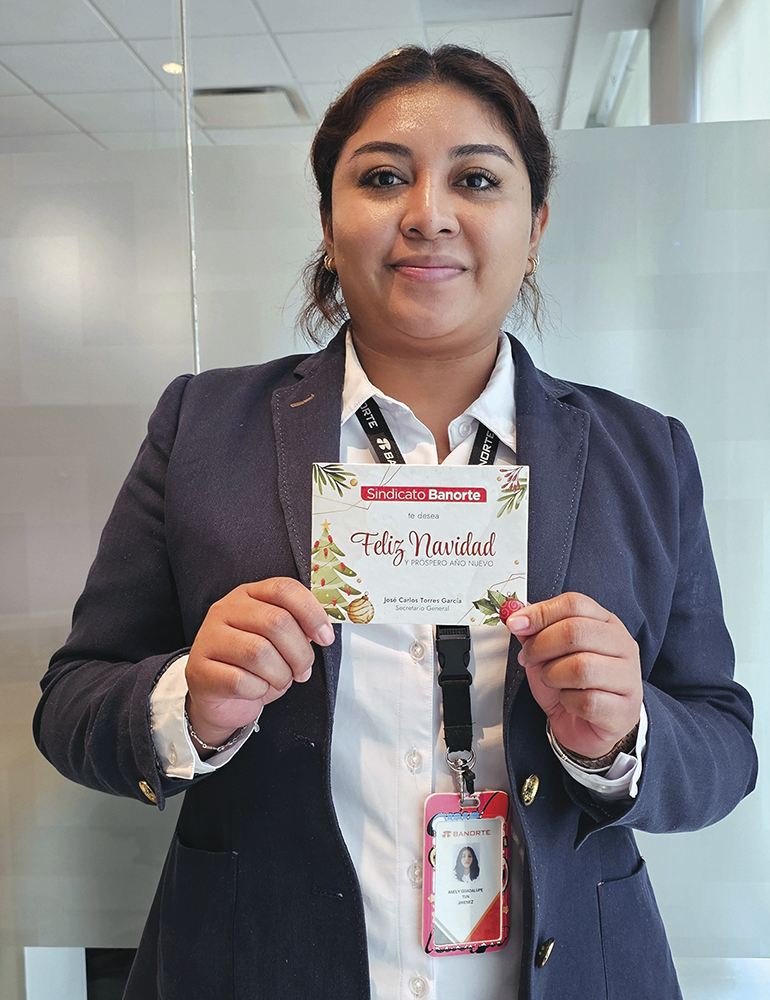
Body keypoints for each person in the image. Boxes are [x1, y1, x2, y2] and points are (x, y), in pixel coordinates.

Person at [33, 44, 756, 1000]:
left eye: (476, 179)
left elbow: (723, 744)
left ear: (535, 226)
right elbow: (71, 704)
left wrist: (623, 739)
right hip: (259, 966)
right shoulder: (203, 426)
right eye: (382, 178)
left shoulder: (645, 453)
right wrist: (187, 706)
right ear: (329, 224)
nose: (428, 214)